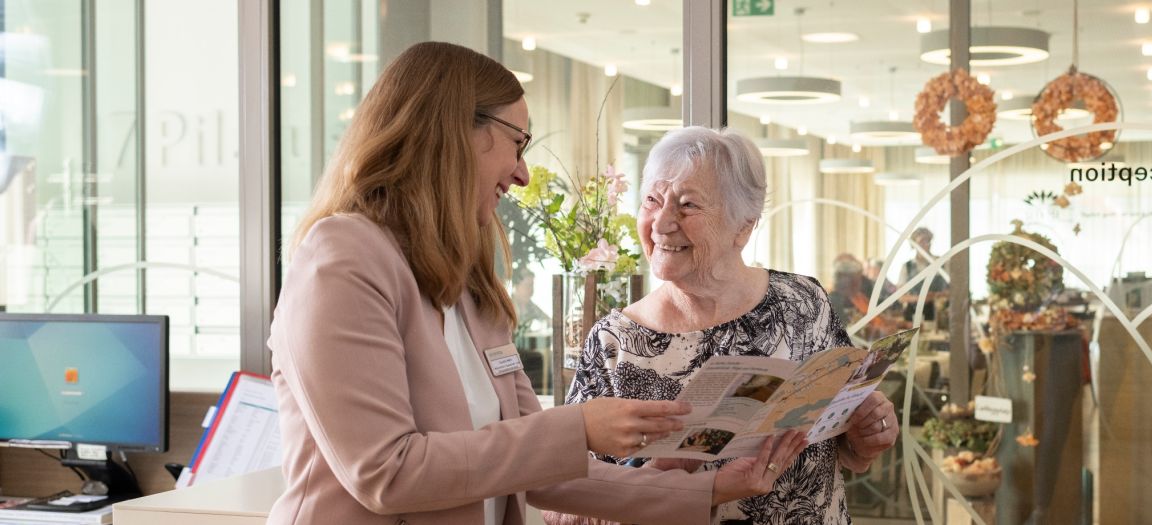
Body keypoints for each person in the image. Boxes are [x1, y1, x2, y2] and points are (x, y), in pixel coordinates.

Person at [268, 42, 805, 525]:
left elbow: (543, 471)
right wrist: (578, 429)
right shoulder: (342, 259)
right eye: (517, 142)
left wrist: (712, 486)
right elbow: (389, 473)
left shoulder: (468, 283)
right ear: (454, 131)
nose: (523, 173)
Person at [562, 127, 900, 524]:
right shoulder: (615, 342)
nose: (663, 222)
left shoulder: (803, 302)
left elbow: (839, 440)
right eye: (652, 200)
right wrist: (659, 480)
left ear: (744, 228)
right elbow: (563, 503)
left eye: (687, 205)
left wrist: (867, 437)